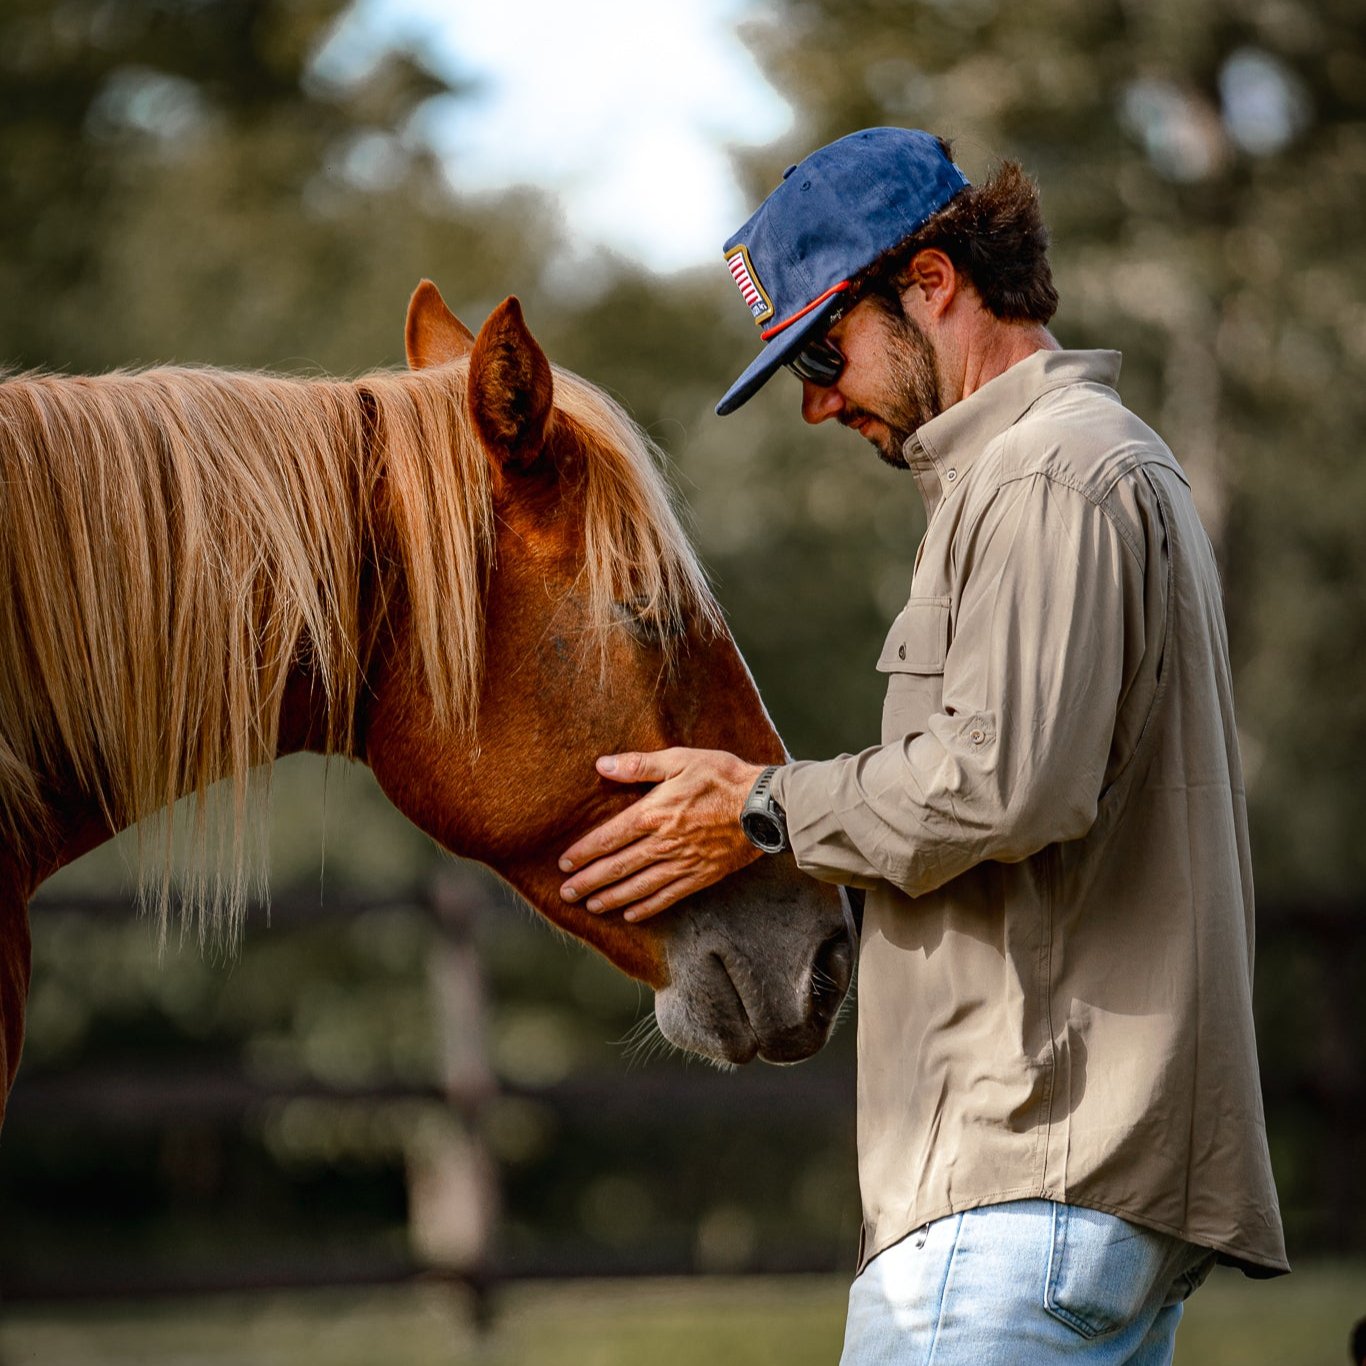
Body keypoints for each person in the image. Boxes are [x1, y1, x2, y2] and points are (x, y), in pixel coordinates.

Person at [556, 127, 1289, 1362]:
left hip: (1020, 1183)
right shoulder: (1074, 470)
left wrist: (757, 806)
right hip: (1064, 1188)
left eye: (823, 349)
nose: (815, 399)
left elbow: (1007, 784)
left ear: (932, 283)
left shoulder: (1048, 477)